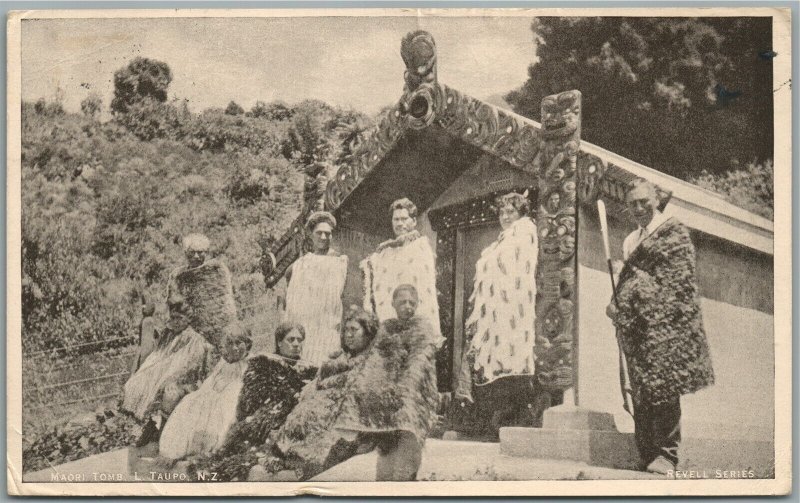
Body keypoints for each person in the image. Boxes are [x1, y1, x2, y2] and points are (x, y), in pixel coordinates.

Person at [605, 178, 715, 475]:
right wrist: (618, 301)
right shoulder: (630, 240)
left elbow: (677, 283)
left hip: (667, 325)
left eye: (644, 201)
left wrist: (633, 285)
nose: (639, 208)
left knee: (665, 386)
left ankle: (667, 456)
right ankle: (648, 452)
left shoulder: (673, 233)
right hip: (637, 325)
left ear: (656, 201)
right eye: (633, 204)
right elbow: (629, 281)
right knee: (640, 388)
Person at [122, 233, 235, 444]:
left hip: (208, 338)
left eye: (202, 253)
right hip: (185, 337)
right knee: (153, 377)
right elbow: (174, 309)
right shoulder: (178, 276)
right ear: (186, 253)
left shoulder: (216, 272)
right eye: (193, 253)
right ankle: (154, 426)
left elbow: (224, 305)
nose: (198, 257)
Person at [453, 191, 541, 432]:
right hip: (493, 313)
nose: (505, 216)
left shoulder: (524, 232)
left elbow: (517, 270)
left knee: (510, 357)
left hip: (512, 310)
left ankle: (510, 416)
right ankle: (483, 417)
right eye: (502, 212)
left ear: (521, 212)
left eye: (510, 211)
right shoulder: (501, 240)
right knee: (485, 358)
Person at [187, 323, 318, 481]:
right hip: (268, 418)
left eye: (299, 340)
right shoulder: (264, 363)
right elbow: (250, 398)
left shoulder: (311, 370)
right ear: (279, 342)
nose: (296, 344)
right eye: (291, 339)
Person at [335, 285, 440, 481]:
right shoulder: (387, 328)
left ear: (417, 304)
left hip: (415, 397)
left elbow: (419, 361)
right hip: (389, 399)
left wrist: (403, 390)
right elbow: (376, 359)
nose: (407, 306)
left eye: (411, 302)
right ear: (393, 304)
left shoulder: (423, 327)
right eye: (402, 302)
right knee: (385, 462)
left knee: (405, 457)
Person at [264, 306, 380, 481]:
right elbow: (315, 387)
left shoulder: (374, 363)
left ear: (368, 332)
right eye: (346, 330)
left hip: (346, 421)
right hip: (317, 415)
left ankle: (305, 467)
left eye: (354, 330)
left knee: (319, 456)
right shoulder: (335, 361)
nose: (348, 335)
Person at [159, 324, 252, 460]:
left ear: (248, 344)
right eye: (230, 343)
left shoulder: (249, 364)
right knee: (192, 404)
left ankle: (212, 448)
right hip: (214, 396)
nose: (234, 348)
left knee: (224, 411)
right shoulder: (224, 363)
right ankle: (192, 447)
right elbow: (210, 384)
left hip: (232, 398)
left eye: (239, 343)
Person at [361, 198, 441, 340]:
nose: (399, 224)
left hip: (413, 320)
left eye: (404, 219)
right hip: (391, 319)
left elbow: (424, 289)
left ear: (414, 221)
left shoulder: (420, 247)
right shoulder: (387, 251)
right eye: (396, 219)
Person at [284, 211, 349, 365]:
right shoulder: (302, 264)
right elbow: (289, 280)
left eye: (328, 234)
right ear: (311, 235)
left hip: (328, 325)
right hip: (306, 323)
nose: (323, 237)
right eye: (319, 233)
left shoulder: (339, 262)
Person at [131, 302, 159, 373]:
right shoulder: (147, 320)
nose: (143, 309)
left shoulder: (148, 320)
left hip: (146, 347)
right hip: (144, 346)